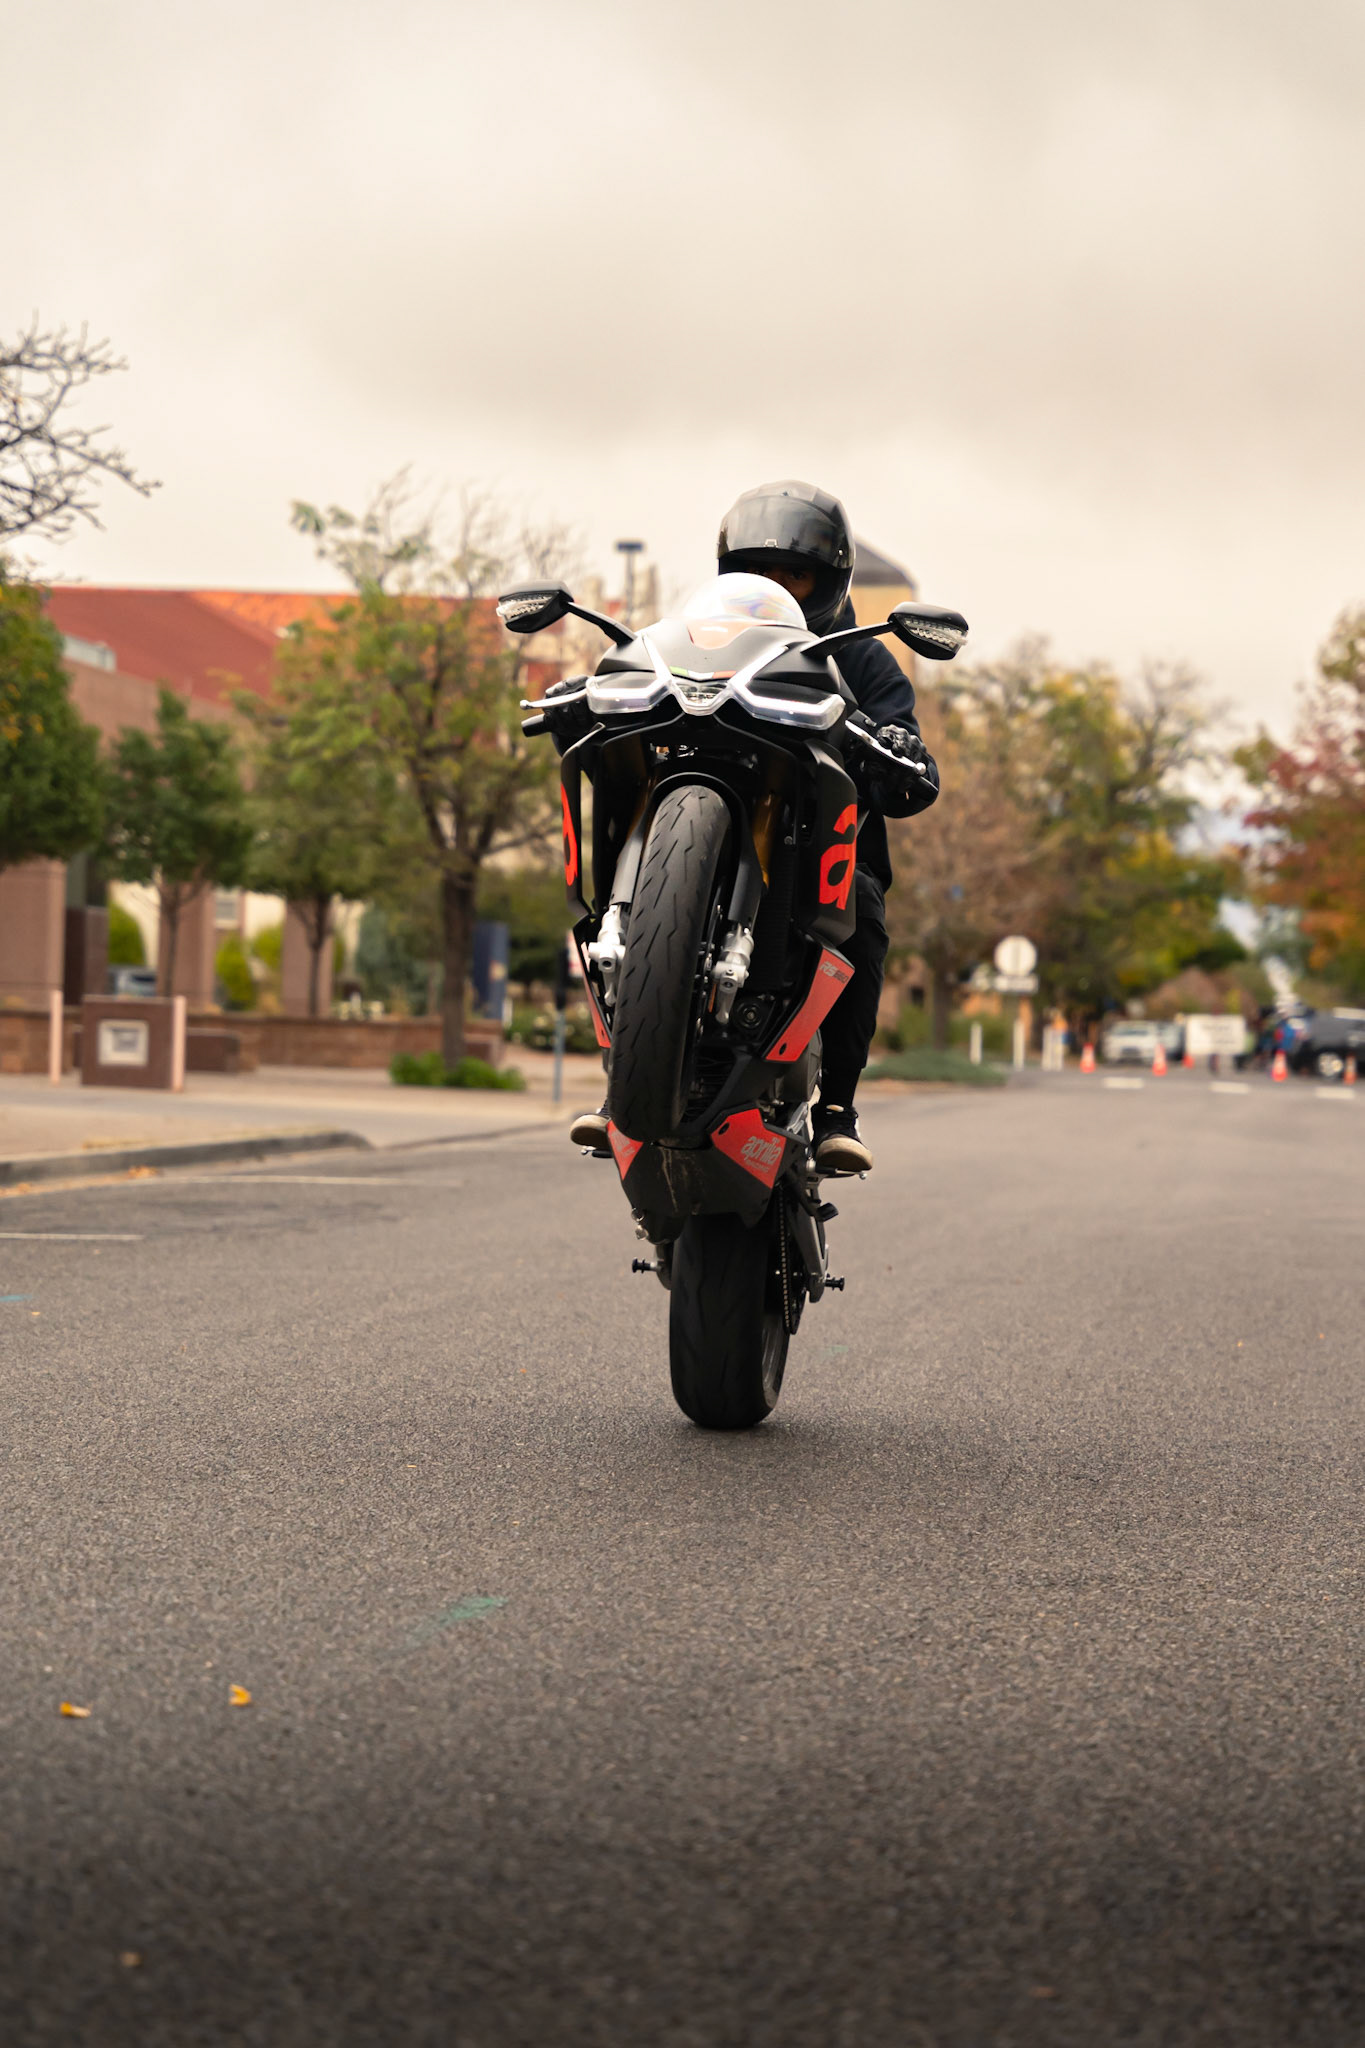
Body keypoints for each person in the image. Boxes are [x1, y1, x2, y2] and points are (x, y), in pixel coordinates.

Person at [569, 479, 940, 1174]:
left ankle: (837, 1110)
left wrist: (899, 746)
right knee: (626, 871)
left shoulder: (860, 655)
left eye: (794, 575)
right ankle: (627, 1074)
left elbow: (903, 742)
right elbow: (642, 677)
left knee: (862, 908)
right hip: (699, 821)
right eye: (757, 572)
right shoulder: (687, 639)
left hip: (817, 848)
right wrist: (588, 693)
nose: (775, 587)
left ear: (828, 582)